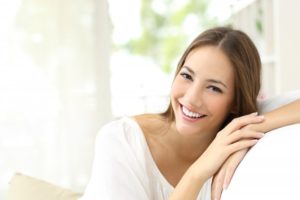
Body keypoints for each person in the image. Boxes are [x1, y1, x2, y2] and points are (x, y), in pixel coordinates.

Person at [79, 27, 300, 200]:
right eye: (187, 76)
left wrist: (255, 126)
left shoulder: (238, 125)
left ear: (235, 102)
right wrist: (198, 171)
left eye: (214, 88)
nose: (192, 99)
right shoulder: (121, 140)